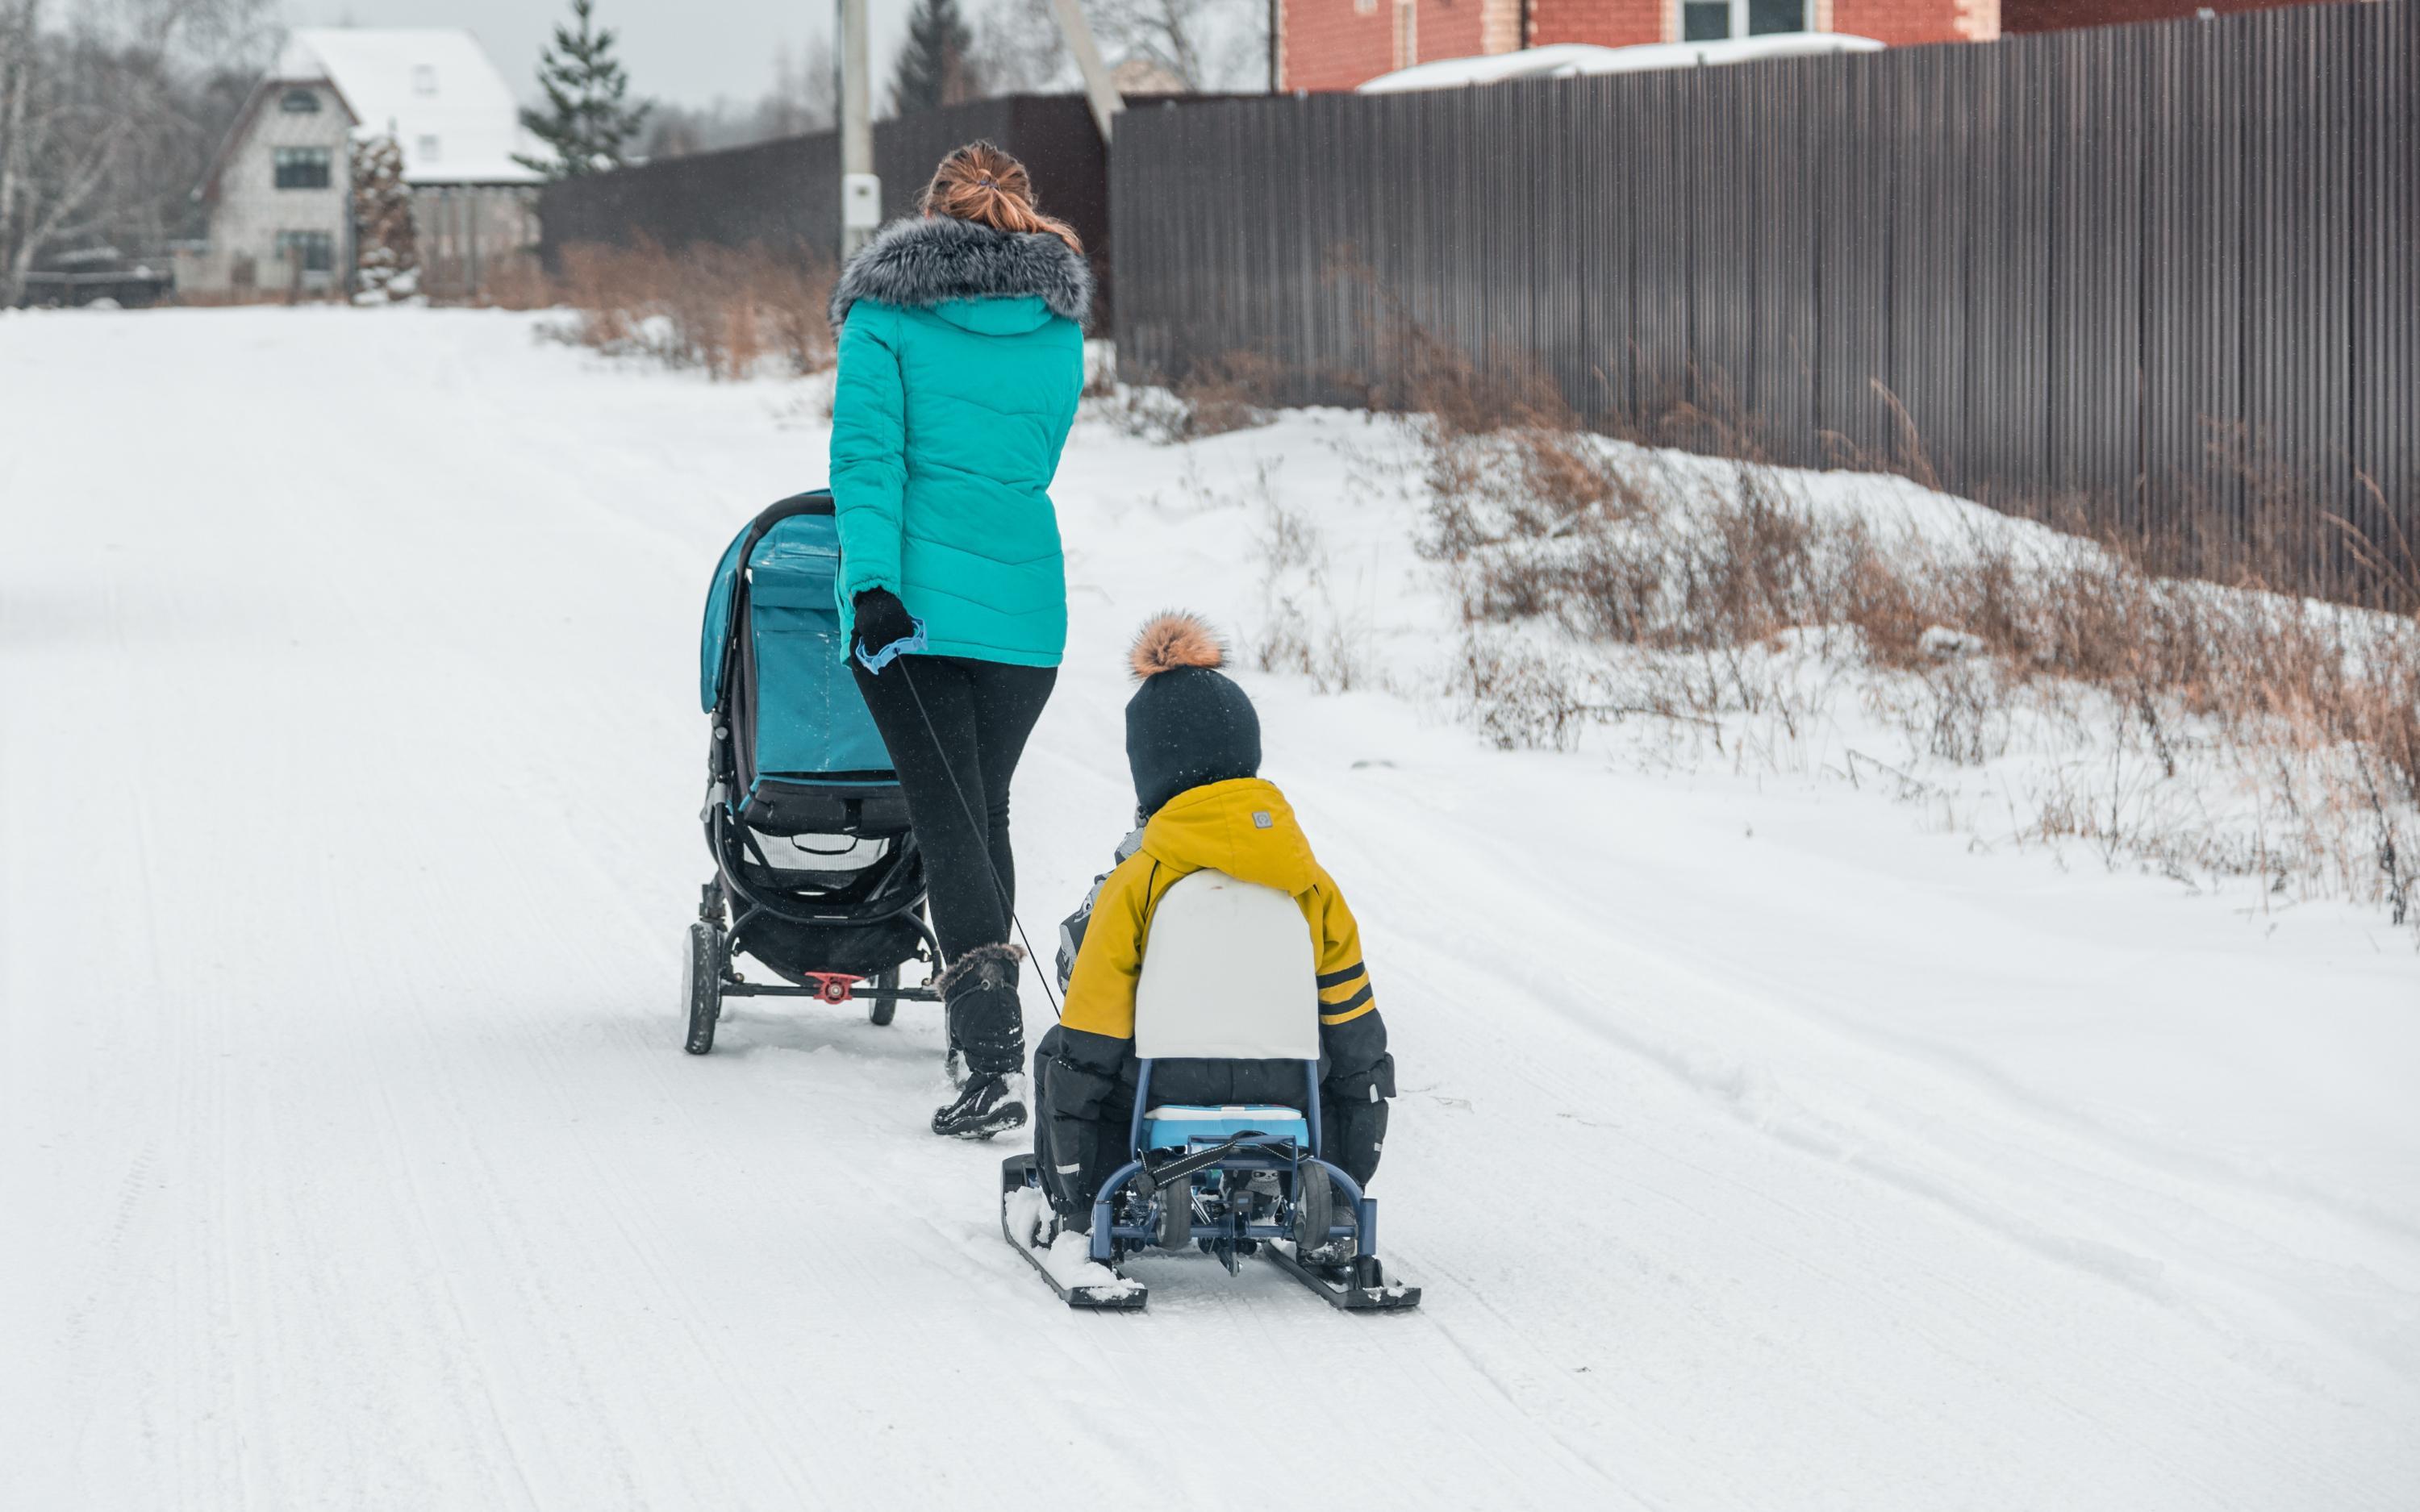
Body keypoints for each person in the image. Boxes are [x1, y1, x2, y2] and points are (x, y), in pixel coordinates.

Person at [828, 141, 1091, 1139]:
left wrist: (877, 588)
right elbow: (1031, 455)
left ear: (929, 211)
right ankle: (982, 1044)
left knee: (953, 823)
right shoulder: (1056, 321)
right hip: (1027, 612)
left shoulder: (885, 313)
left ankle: (991, 1061)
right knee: (979, 812)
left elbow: (868, 457)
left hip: (916, 614)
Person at [1033, 612, 1397, 1227]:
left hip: (1162, 1088)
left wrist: (1074, 1167)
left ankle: (1094, 1205)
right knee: (1337, 1057)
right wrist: (1353, 1155)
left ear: (1150, 772)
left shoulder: (1139, 881)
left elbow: (1094, 1028)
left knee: (1057, 1053)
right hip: (1289, 1088)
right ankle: (1316, 1199)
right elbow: (1353, 1023)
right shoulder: (1310, 882)